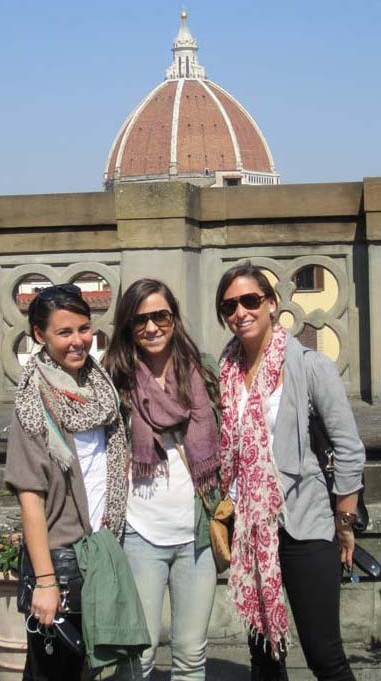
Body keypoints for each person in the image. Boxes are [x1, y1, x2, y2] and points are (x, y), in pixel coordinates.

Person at [215, 262, 365, 681]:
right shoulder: (225, 372)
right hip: (249, 528)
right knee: (264, 658)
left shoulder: (309, 365)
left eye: (250, 300)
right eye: (229, 306)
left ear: (272, 303)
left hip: (305, 522)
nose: (240, 312)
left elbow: (349, 447)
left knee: (324, 655)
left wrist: (344, 522)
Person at [4, 284, 129, 681]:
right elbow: (30, 498)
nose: (78, 341)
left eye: (84, 328)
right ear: (39, 335)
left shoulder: (101, 387)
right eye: (64, 332)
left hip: (103, 548)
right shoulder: (34, 401)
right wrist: (45, 583)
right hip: (61, 560)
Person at [103, 278, 220, 681]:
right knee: (140, 655)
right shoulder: (115, 380)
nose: (151, 327)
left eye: (160, 316)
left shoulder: (203, 371)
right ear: (127, 326)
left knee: (191, 653)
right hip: (139, 533)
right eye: (140, 320)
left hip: (197, 535)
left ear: (174, 318)